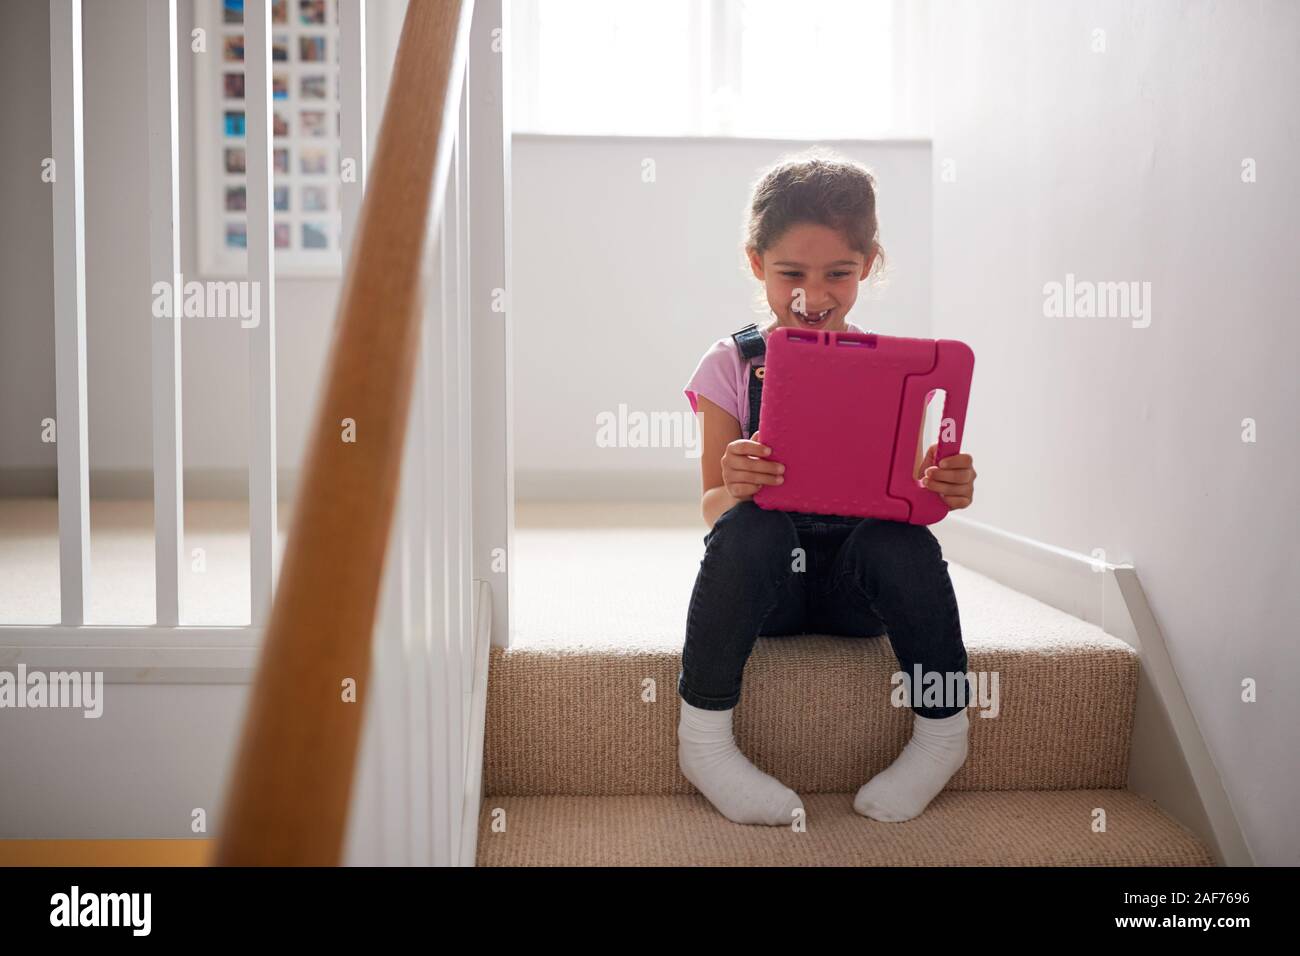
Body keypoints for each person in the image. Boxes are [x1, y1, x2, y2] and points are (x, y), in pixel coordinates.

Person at [678, 149, 978, 826]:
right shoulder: (730, 363)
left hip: (853, 591)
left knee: (903, 539)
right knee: (748, 527)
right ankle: (702, 744)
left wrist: (941, 482)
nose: (813, 296)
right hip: (771, 590)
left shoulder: (886, 370)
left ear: (868, 264)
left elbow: (910, 490)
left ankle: (943, 735)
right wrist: (736, 485)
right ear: (756, 263)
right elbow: (710, 506)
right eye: (791, 274)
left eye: (838, 273)